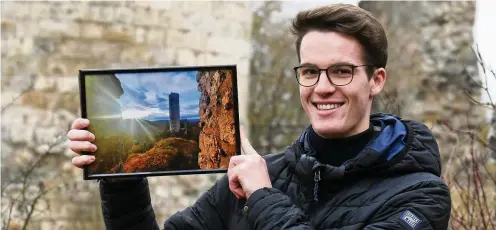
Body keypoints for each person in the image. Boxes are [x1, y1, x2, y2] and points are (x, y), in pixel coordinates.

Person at [68, 4, 451, 230]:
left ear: (376, 80)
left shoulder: (421, 196)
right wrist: (119, 176)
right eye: (309, 71)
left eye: (341, 71)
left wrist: (263, 196)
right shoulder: (257, 175)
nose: (322, 87)